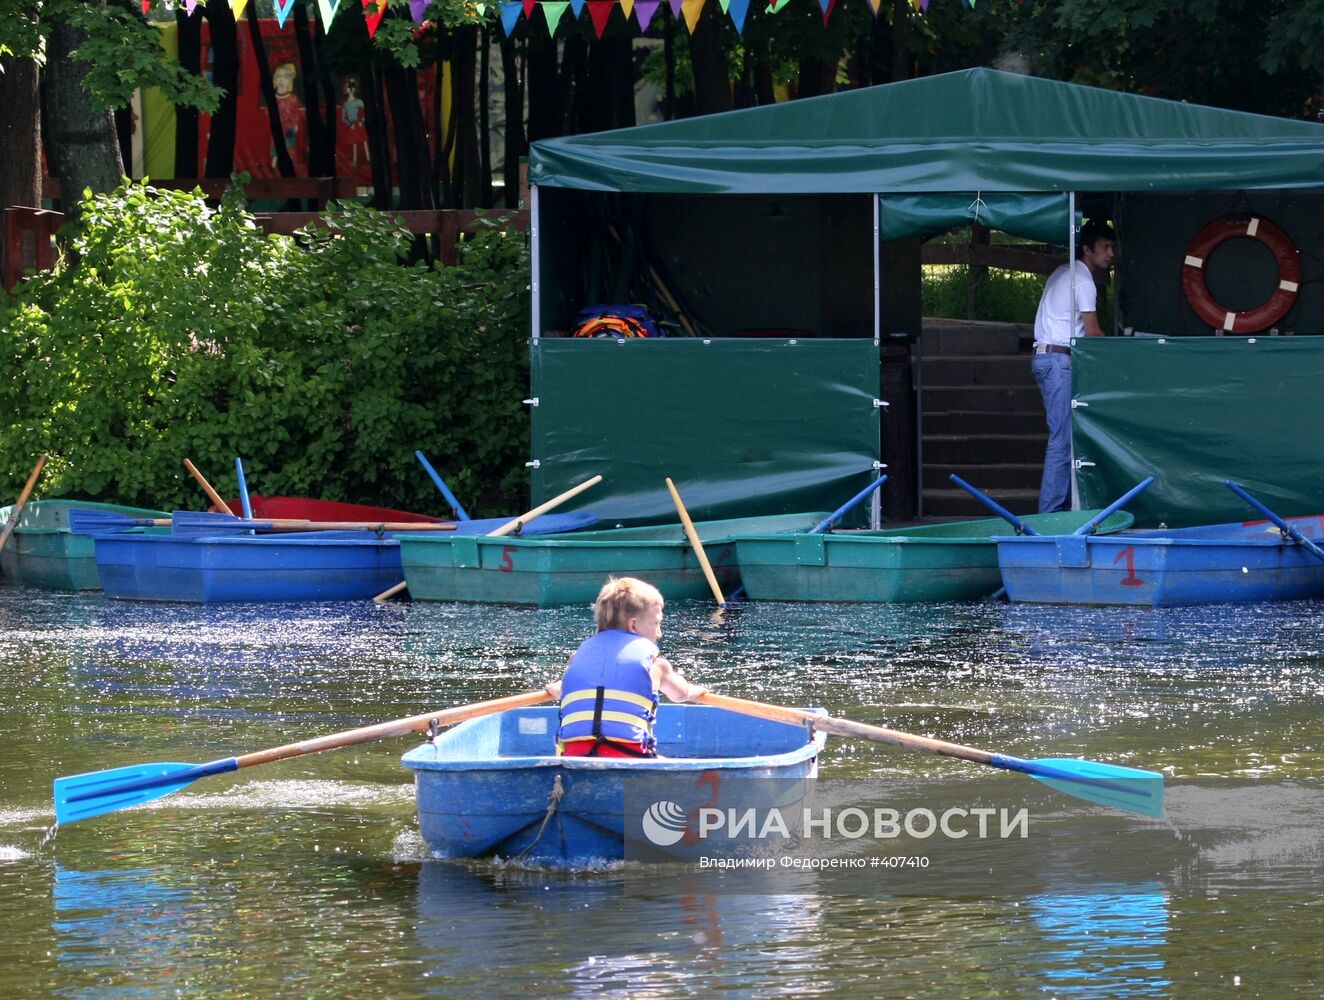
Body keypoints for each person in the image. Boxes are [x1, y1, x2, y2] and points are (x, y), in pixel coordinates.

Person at [545, 577, 707, 758]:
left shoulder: (577, 659)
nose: (660, 633)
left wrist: (558, 688)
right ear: (633, 625)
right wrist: (695, 691)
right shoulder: (655, 665)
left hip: (575, 758)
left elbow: (565, 690)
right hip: (629, 758)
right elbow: (680, 694)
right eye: (656, 623)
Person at [1031, 219, 1117, 513]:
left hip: (1047, 358)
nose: (1110, 254)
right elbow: (1093, 333)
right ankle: (1051, 514)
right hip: (1059, 361)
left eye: (1112, 247)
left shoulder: (1062, 272)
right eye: (1105, 248)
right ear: (1087, 250)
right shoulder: (1083, 280)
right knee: (1062, 439)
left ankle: (1060, 507)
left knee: (1062, 437)